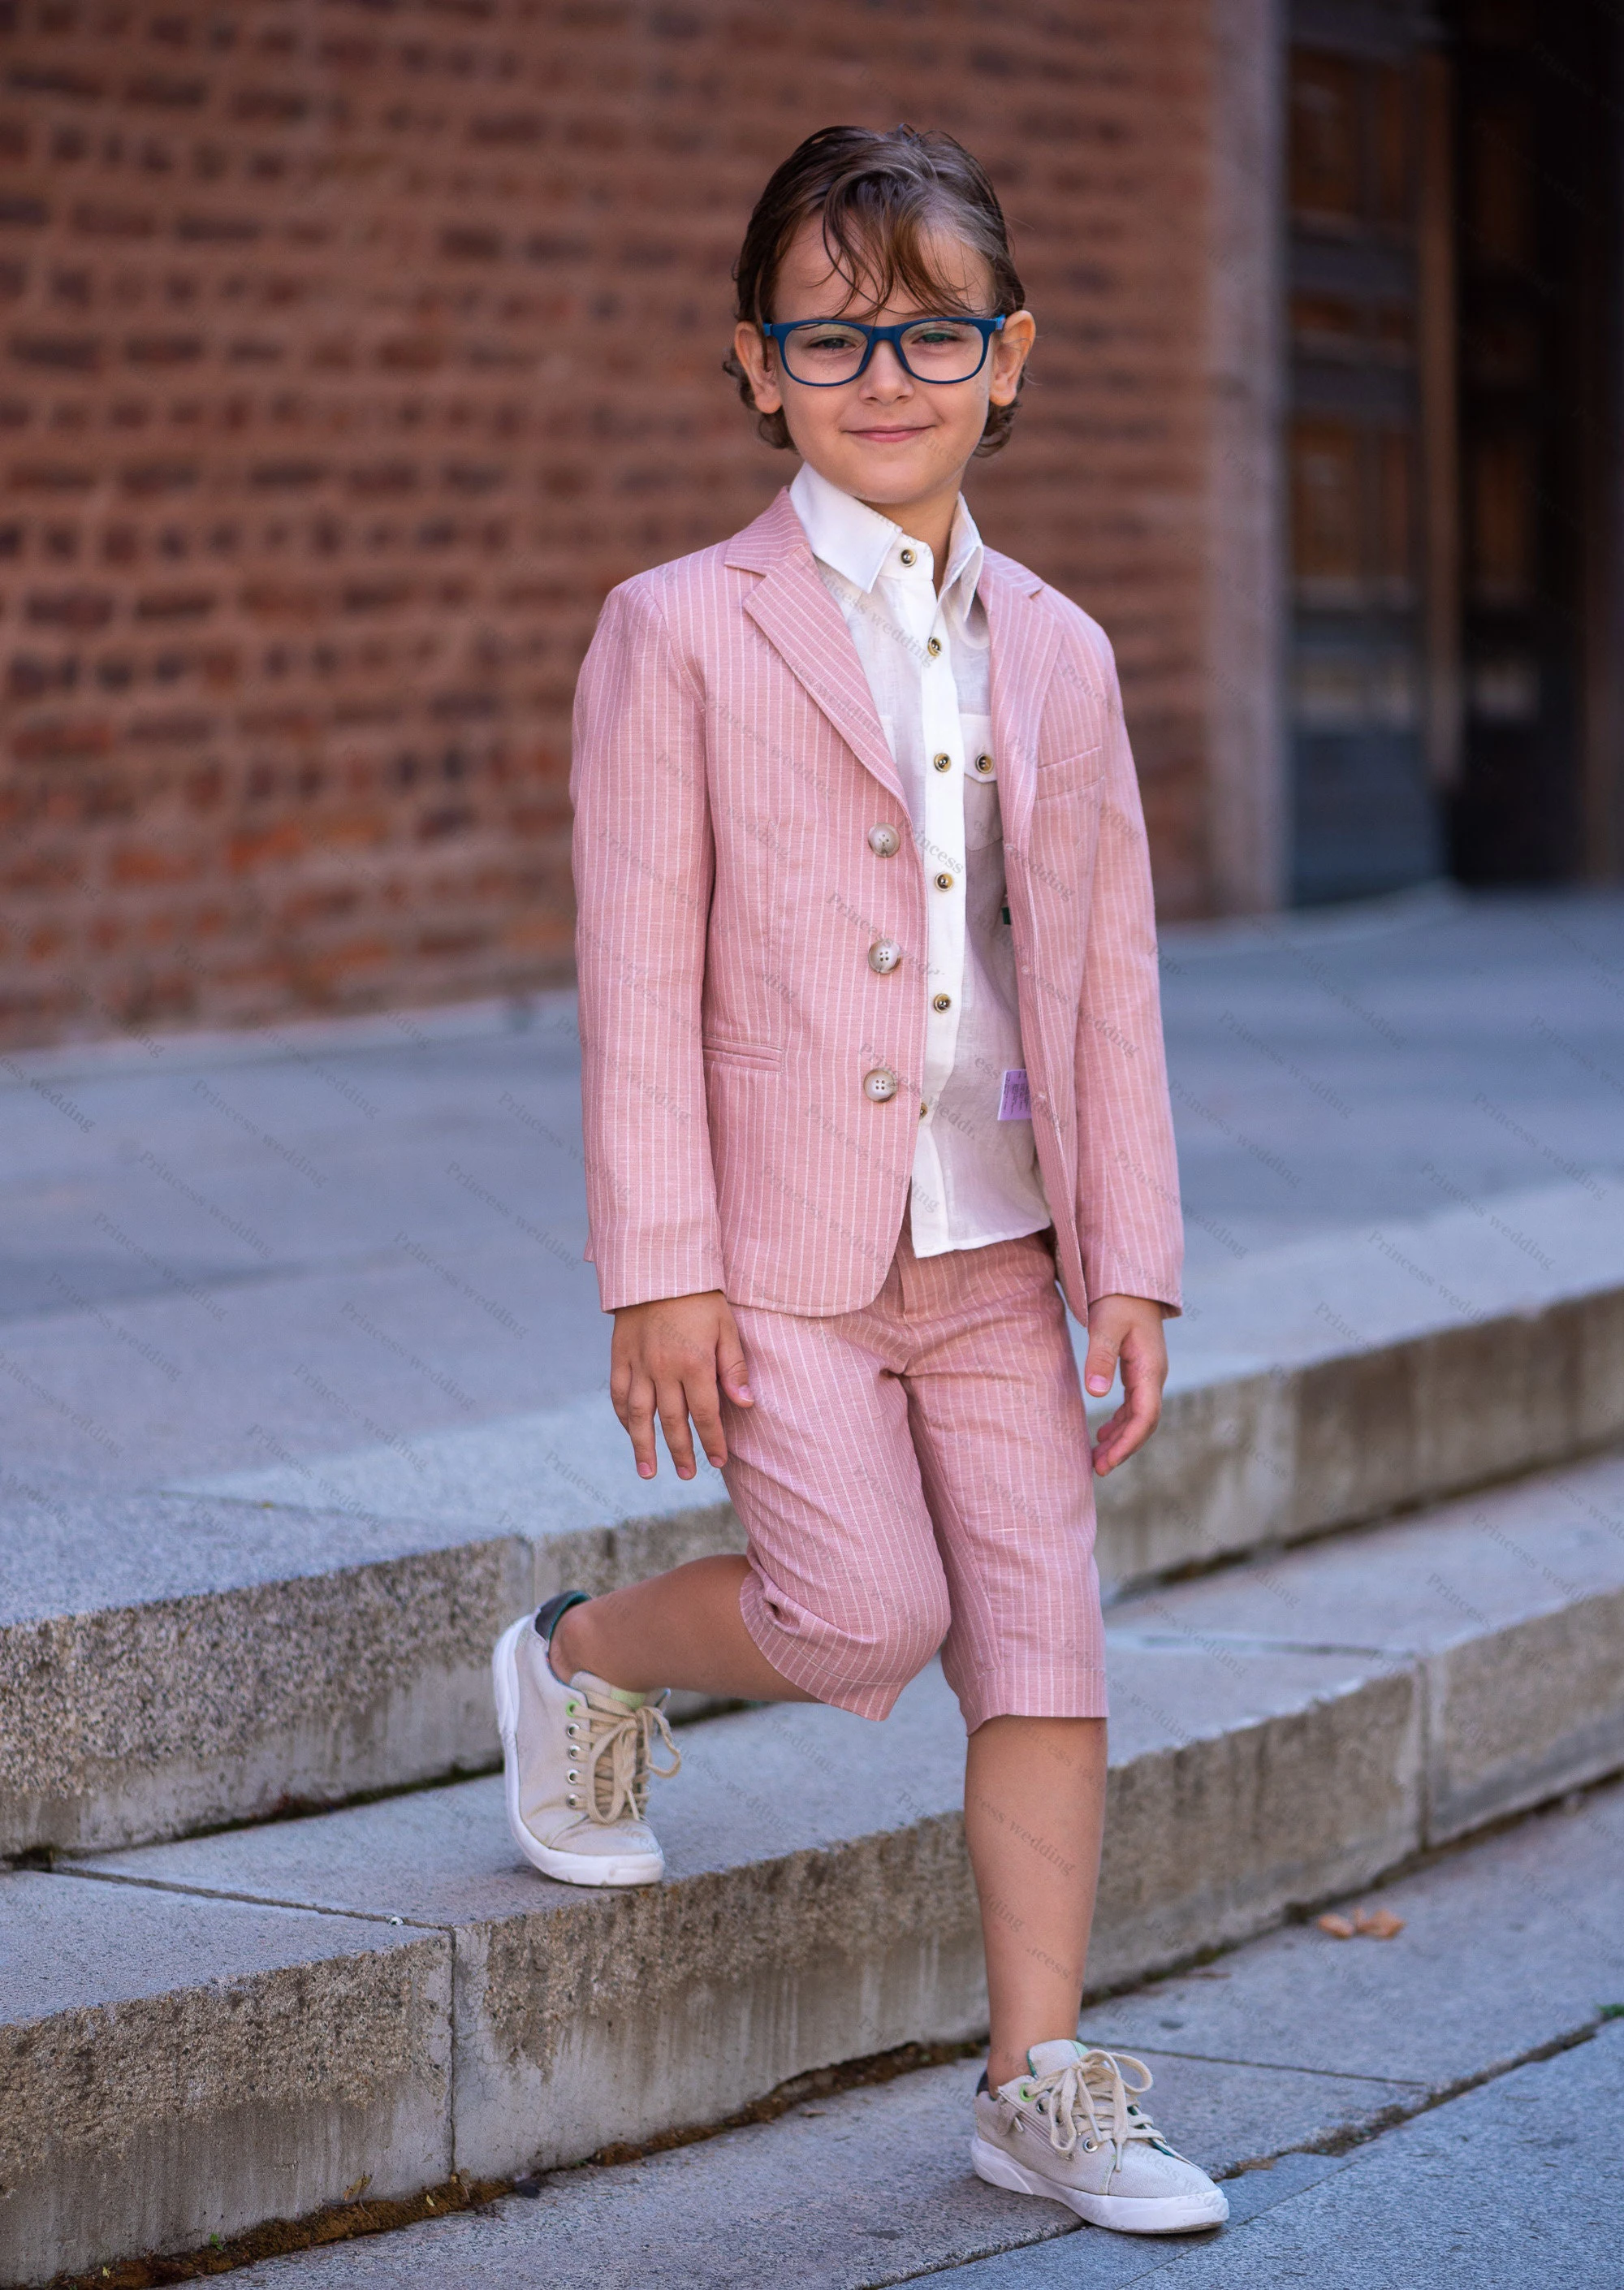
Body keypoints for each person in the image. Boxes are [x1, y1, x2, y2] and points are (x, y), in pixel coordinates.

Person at [491, 123, 1227, 2238]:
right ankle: (581, 1648)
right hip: (786, 1257)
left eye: (929, 333)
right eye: (831, 334)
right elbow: (635, 966)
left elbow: (1103, 976)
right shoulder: (678, 630)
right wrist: (661, 1265)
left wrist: (1137, 1260)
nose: (881, 372)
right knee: (862, 1614)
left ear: (1010, 358)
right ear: (756, 364)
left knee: (1045, 1644)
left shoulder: (1062, 653)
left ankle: (1038, 2080)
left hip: (1006, 1251)